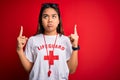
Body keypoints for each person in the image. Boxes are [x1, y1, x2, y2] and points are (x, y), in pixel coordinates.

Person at [16, 3, 80, 80]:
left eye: (54, 16)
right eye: (45, 16)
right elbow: (30, 69)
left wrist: (75, 47)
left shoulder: (66, 40)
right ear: (41, 20)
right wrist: (19, 50)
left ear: (59, 20)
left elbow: (71, 70)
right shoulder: (32, 40)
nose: (50, 20)